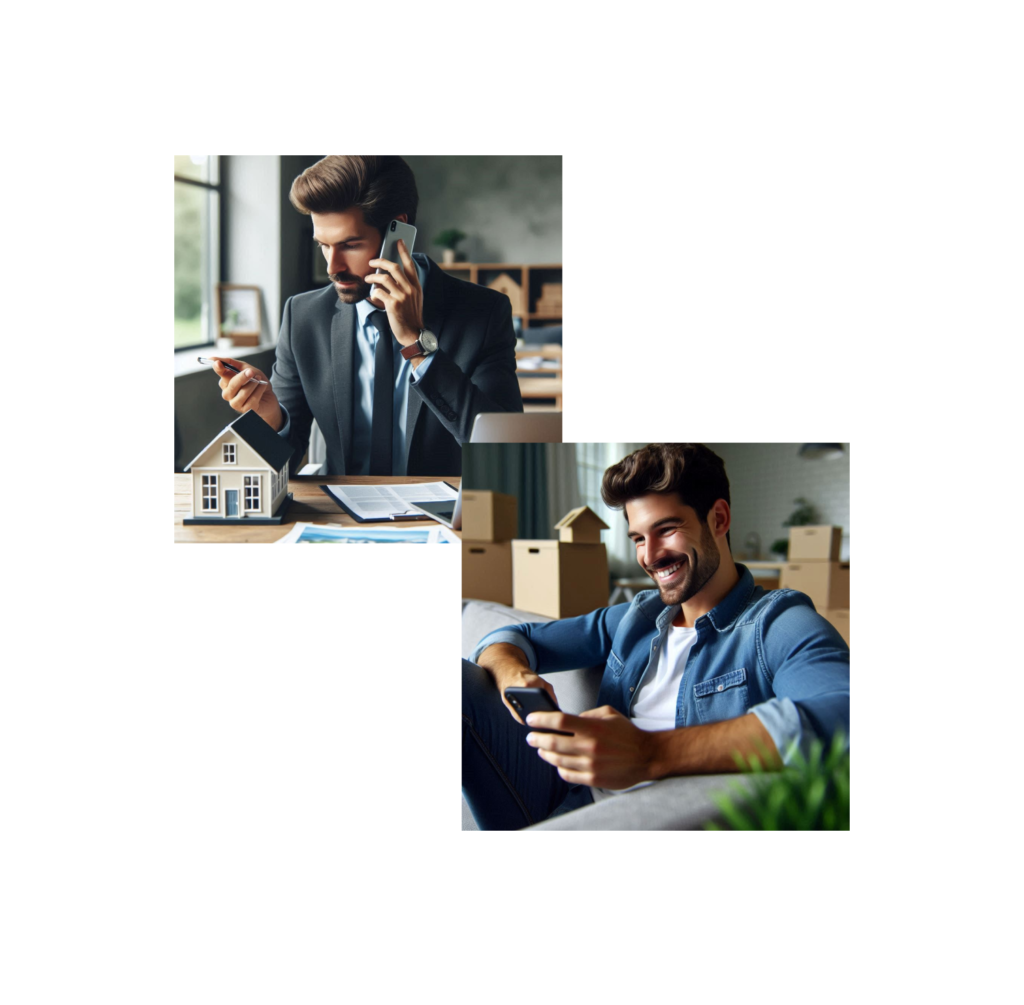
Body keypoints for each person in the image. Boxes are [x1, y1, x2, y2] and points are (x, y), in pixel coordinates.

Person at [462, 442, 850, 831]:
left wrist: (650, 752)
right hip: (572, 795)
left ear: (718, 519)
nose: (650, 556)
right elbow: (511, 636)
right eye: (638, 539)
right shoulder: (638, 616)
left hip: (662, 816)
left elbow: (841, 714)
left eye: (666, 529)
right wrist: (512, 673)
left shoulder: (777, 622)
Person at [213, 155, 522, 476]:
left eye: (350, 244)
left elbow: (506, 453)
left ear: (398, 233)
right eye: (324, 245)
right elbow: (284, 463)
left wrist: (417, 345)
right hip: (338, 517)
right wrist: (270, 419)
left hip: (442, 519)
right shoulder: (304, 317)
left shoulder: (484, 313)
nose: (333, 267)